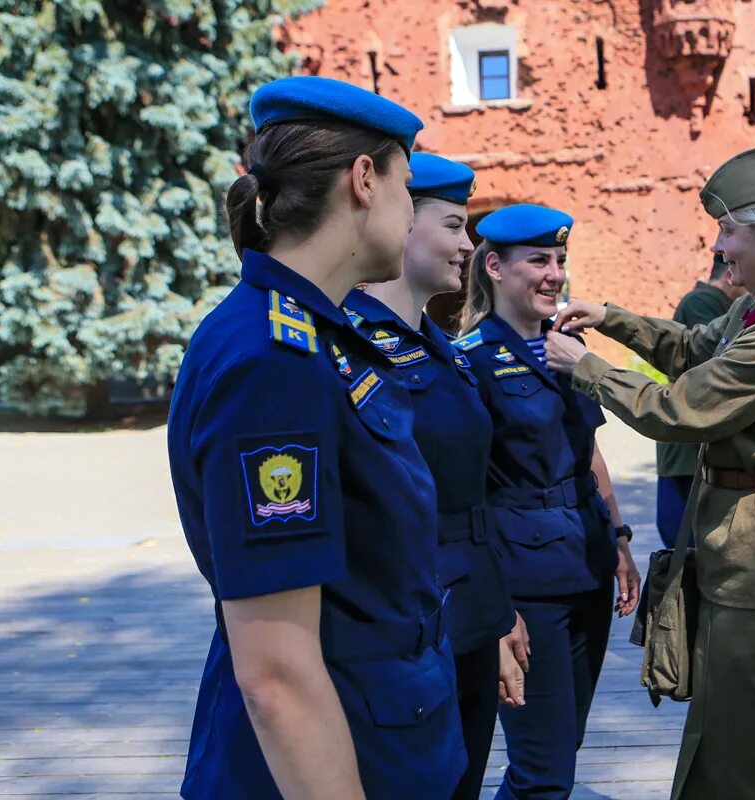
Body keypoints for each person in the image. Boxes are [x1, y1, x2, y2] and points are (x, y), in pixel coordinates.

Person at [167, 76, 465, 799]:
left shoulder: (319, 338)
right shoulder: (273, 360)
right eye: (406, 184)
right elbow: (277, 674)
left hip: (388, 741)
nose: (408, 207)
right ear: (365, 180)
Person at [547, 146, 755, 800]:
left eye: (728, 231)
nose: (719, 246)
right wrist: (612, 319)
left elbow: (681, 407)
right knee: (728, 724)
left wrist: (584, 367)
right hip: (737, 543)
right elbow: (689, 349)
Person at [340, 153, 525, 800]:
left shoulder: (438, 346)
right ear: (401, 223)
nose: (468, 245)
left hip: (468, 619)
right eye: (453, 226)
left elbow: (470, 496)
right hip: (405, 633)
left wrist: (498, 614)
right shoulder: (349, 345)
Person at [453, 204, 641, 799]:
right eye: (538, 260)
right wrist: (493, 604)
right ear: (494, 267)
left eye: (559, 260)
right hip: (525, 585)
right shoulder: (471, 361)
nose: (555, 274)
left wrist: (619, 539)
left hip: (586, 567)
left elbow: (588, 452)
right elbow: (463, 493)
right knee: (543, 769)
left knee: (563, 748)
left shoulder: (566, 348)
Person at [654, 253, 746, 548]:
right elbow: (718, 365)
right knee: (683, 541)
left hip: (693, 447)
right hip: (684, 453)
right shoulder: (701, 303)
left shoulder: (717, 304)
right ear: (729, 276)